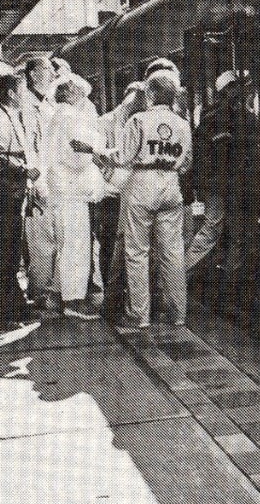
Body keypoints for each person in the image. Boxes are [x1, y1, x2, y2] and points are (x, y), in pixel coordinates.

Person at [93, 73, 192, 339]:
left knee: (137, 252)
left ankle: (139, 315)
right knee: (172, 252)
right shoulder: (183, 124)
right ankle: (178, 313)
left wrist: (97, 154)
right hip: (171, 185)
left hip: (142, 185)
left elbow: (123, 158)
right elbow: (186, 164)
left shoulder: (138, 120)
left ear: (149, 95)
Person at [0, 74, 37, 324]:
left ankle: (11, 308)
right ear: (11, 94)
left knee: (10, 255)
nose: (26, 95)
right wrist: (23, 169)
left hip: (12, 195)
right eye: (23, 91)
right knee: (4, 254)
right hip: (2, 196)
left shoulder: (9, 116)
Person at [46, 74, 106, 320]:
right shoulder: (70, 116)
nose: (84, 101)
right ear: (73, 94)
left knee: (65, 245)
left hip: (62, 189)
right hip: (72, 190)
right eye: (82, 96)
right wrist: (98, 150)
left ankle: (58, 294)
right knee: (76, 247)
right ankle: (73, 303)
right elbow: (76, 152)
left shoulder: (57, 116)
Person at [185, 70, 248, 271]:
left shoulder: (239, 116)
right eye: (232, 88)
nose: (236, 92)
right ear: (224, 92)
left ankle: (232, 270)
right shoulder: (214, 119)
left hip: (232, 182)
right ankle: (182, 270)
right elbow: (204, 154)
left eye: (237, 87)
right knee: (213, 226)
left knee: (234, 227)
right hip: (219, 184)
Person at [93, 80, 144, 317]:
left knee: (131, 248)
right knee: (111, 243)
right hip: (111, 193)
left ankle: (130, 298)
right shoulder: (103, 123)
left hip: (136, 193)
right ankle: (112, 299)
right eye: (131, 105)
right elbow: (95, 160)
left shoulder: (142, 120)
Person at [20, 55, 59, 313]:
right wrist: (35, 184)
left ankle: (46, 290)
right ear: (33, 73)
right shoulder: (26, 104)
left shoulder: (46, 103)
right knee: (41, 240)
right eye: (47, 69)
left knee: (51, 239)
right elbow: (29, 147)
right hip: (39, 180)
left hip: (52, 178)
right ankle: (40, 292)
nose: (53, 74)